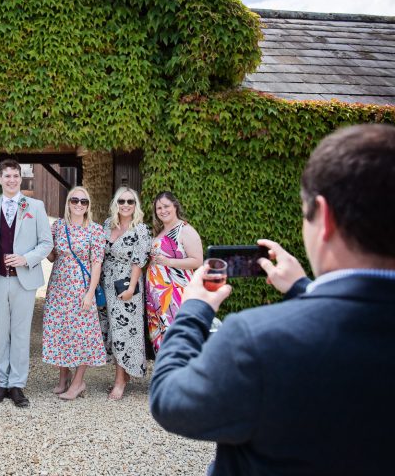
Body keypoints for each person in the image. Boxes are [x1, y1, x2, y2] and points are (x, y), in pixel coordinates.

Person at [149, 124, 395, 475]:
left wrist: (193, 310)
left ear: (323, 218)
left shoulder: (259, 338)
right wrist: (302, 288)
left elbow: (171, 402)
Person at [0, 159, 53, 407]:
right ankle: (2, 383)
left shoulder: (35, 206)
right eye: (7, 176)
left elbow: (46, 243)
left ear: (20, 179)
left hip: (25, 280)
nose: (11, 180)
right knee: (1, 333)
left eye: (15, 176)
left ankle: (17, 386)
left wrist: (26, 258)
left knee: (21, 334)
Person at [42, 186, 107, 400]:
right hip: (59, 286)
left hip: (80, 287)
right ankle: (63, 378)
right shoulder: (58, 226)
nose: (79, 204)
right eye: (75, 200)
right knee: (62, 330)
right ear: (68, 202)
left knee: (83, 334)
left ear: (88, 206)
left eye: (84, 201)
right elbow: (51, 256)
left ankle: (78, 383)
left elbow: (96, 264)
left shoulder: (95, 230)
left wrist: (90, 293)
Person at [98, 187, 152, 399]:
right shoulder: (106, 225)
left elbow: (140, 260)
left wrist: (131, 288)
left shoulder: (141, 230)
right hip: (106, 282)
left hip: (127, 284)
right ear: (116, 203)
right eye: (122, 201)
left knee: (124, 331)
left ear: (136, 205)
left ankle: (120, 380)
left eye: (130, 201)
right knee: (112, 329)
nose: (126, 205)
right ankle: (123, 372)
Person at [145, 191, 203, 353]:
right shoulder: (160, 231)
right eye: (159, 208)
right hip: (157, 297)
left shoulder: (185, 230)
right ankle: (167, 375)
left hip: (176, 295)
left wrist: (169, 262)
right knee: (161, 338)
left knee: (178, 336)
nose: (163, 210)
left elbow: (197, 260)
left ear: (175, 206)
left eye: (166, 206)